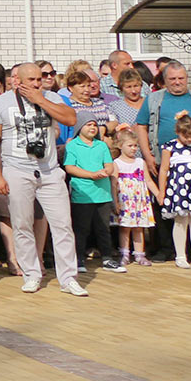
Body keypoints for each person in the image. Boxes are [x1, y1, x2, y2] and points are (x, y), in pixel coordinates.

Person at [0, 61, 83, 295]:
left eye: (40, 79)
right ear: (17, 80)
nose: (37, 84)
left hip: (49, 170)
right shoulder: (1, 103)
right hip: (17, 169)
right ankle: (31, 274)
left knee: (63, 224)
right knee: (22, 224)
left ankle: (68, 278)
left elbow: (70, 119)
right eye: (32, 80)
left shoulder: (51, 97)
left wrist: (41, 100)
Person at [64, 117, 123, 273]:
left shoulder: (101, 145)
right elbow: (70, 167)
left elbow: (109, 165)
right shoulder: (73, 146)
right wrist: (91, 175)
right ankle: (78, 259)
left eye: (95, 125)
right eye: (88, 124)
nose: (92, 127)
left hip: (103, 193)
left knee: (103, 228)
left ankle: (107, 259)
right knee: (81, 229)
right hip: (82, 194)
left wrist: (106, 171)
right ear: (79, 127)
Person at [157, 112, 191, 267]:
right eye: (186, 136)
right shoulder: (169, 147)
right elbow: (164, 169)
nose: (189, 140)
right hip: (178, 189)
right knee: (181, 221)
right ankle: (180, 256)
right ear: (178, 132)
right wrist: (161, 191)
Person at [112, 128, 157, 267]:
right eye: (130, 145)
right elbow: (113, 184)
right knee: (125, 227)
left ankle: (139, 254)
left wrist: (158, 194)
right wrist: (115, 202)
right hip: (125, 201)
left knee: (139, 227)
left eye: (135, 145)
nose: (133, 148)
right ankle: (125, 254)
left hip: (139, 201)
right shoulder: (116, 163)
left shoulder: (140, 162)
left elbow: (148, 180)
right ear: (120, 146)